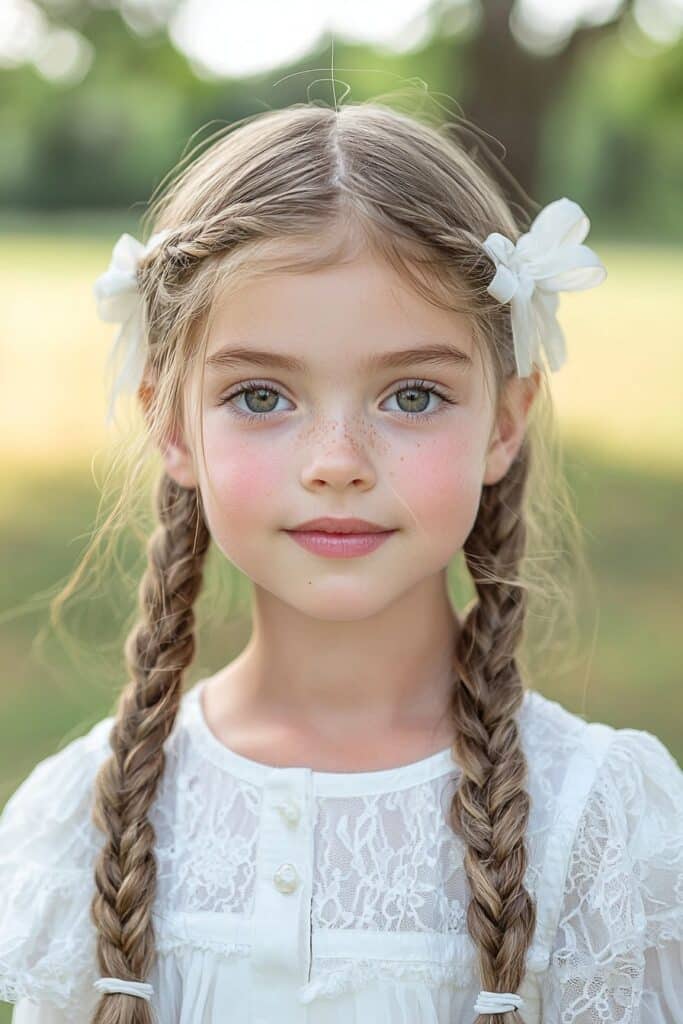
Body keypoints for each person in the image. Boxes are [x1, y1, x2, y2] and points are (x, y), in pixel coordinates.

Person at [1, 102, 681, 1024]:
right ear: (171, 425)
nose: (337, 459)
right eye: (258, 394)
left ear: (505, 421)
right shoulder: (66, 830)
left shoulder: (606, 828)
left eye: (410, 394)